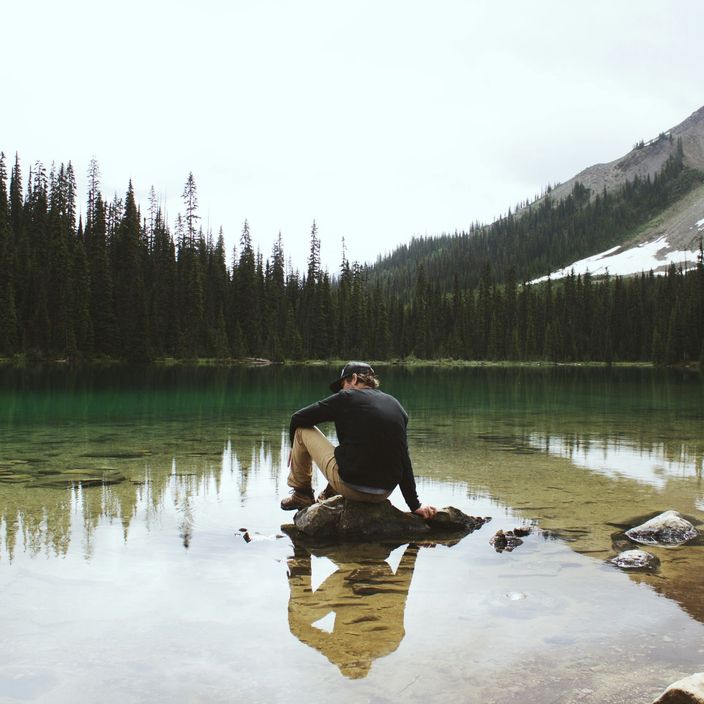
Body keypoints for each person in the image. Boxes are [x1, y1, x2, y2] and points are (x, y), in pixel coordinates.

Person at [281, 361, 437, 519]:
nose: (341, 390)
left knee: (302, 431)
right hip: (384, 492)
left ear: (354, 379)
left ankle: (302, 494)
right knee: (358, 447)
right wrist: (415, 505)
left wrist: (293, 447)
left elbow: (298, 418)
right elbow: (404, 459)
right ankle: (329, 495)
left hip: (353, 488)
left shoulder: (346, 397)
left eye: (343, 384)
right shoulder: (396, 406)